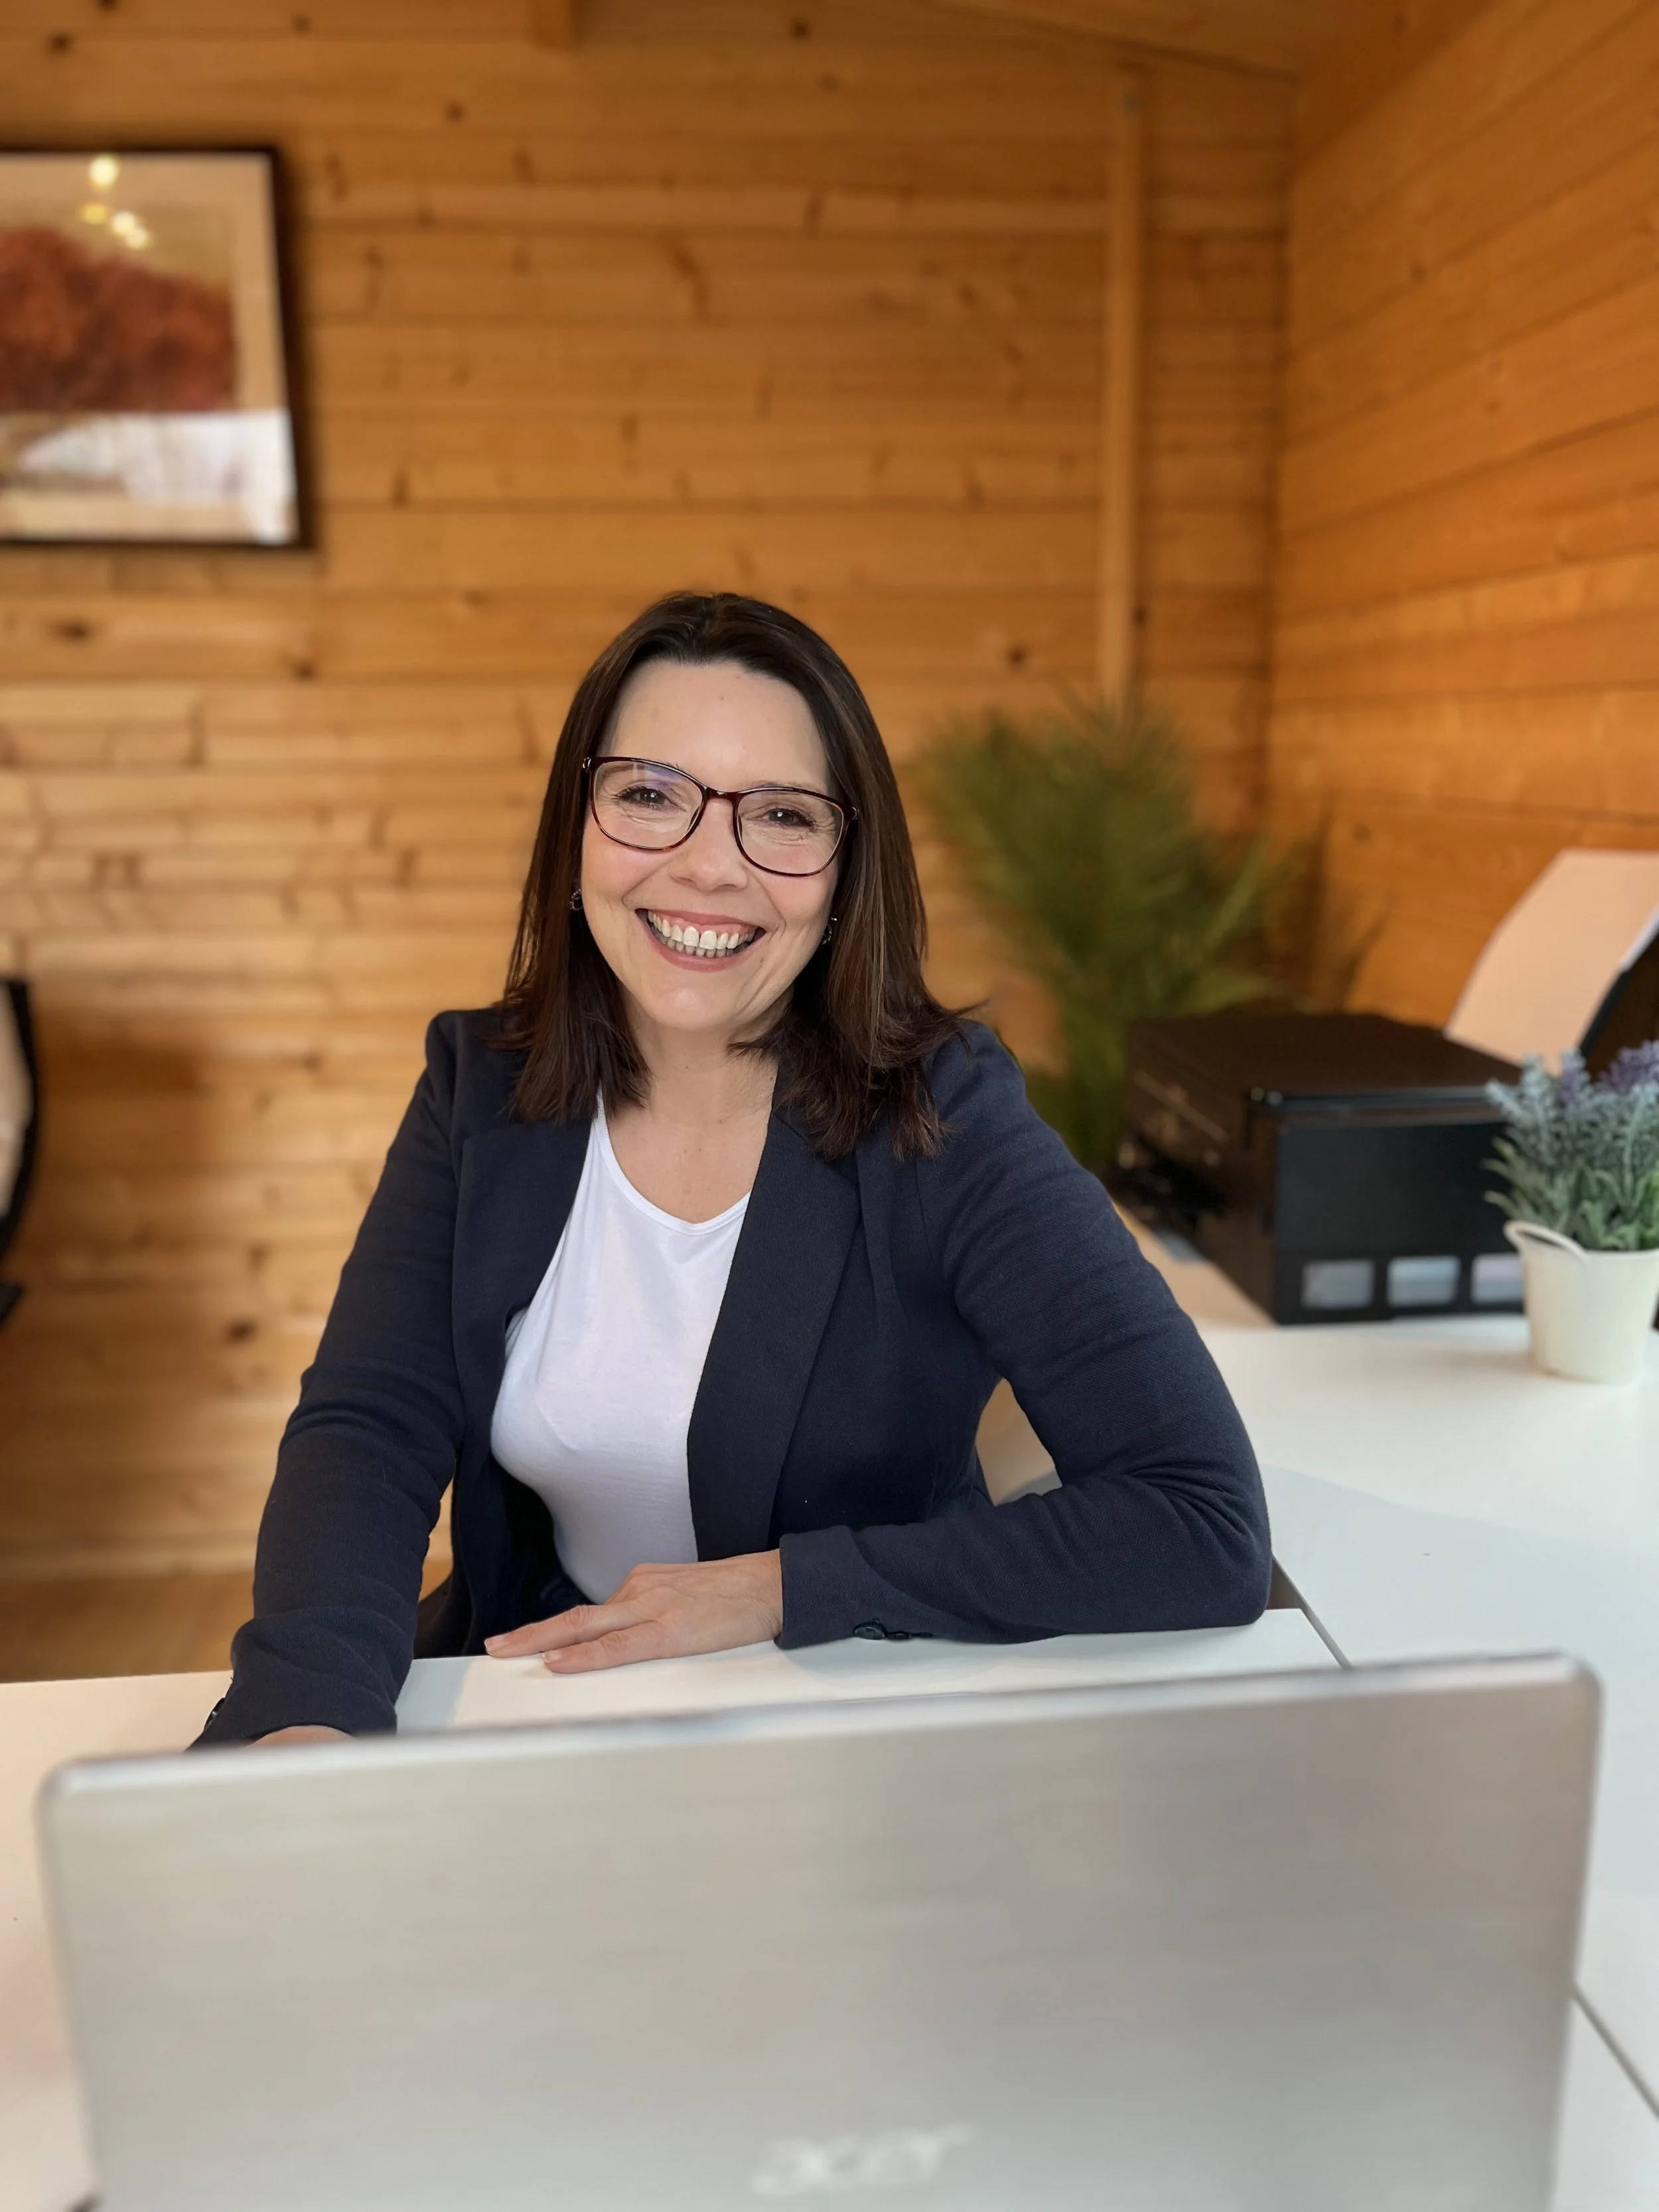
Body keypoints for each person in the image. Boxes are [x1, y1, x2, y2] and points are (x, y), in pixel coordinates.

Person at [200, 593, 1269, 1747]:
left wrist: (783, 1589)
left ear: (843, 871)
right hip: (547, 1695)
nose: (711, 866)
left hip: (847, 1721)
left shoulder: (944, 1114)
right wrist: (306, 1715)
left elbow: (1198, 1519)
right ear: (579, 829)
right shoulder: (480, 1083)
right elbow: (373, 1426)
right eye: (651, 796)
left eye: (783, 816)